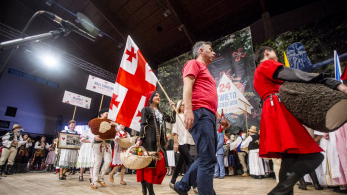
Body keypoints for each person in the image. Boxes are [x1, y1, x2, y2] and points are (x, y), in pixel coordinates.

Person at [253, 46, 347, 194]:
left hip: (274, 109)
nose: (277, 57)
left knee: (289, 159)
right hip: (278, 109)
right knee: (314, 156)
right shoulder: (266, 65)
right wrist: (331, 82)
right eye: (275, 53)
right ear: (266, 52)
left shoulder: (260, 71)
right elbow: (296, 75)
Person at [173, 41, 230, 195]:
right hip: (200, 113)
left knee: (207, 156)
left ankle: (183, 186)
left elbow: (209, 101)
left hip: (208, 114)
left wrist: (219, 119)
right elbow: (187, 85)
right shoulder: (193, 63)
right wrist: (188, 110)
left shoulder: (206, 71)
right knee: (207, 159)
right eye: (211, 50)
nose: (214, 53)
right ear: (200, 51)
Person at [135, 91, 176, 195]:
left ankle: (146, 190)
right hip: (148, 142)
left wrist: (172, 108)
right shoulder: (146, 110)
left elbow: (172, 120)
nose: (158, 97)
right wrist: (140, 139)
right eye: (156, 95)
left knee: (154, 168)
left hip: (157, 144)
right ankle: (148, 191)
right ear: (151, 97)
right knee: (147, 168)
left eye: (159, 96)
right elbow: (143, 125)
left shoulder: (161, 111)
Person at [170, 100, 197, 193]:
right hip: (181, 142)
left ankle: (172, 180)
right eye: (182, 105)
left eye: (185, 105)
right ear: (179, 106)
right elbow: (174, 129)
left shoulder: (188, 117)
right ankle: (195, 185)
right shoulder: (177, 115)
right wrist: (176, 142)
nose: (184, 106)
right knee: (190, 162)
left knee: (180, 163)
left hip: (188, 141)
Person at [91, 108, 117, 189]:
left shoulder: (110, 122)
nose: (108, 115)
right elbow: (89, 133)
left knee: (108, 161)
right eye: (106, 113)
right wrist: (94, 137)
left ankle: (100, 177)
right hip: (98, 144)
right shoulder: (96, 122)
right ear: (101, 114)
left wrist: (115, 125)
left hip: (107, 144)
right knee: (97, 162)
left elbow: (118, 130)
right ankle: (94, 181)